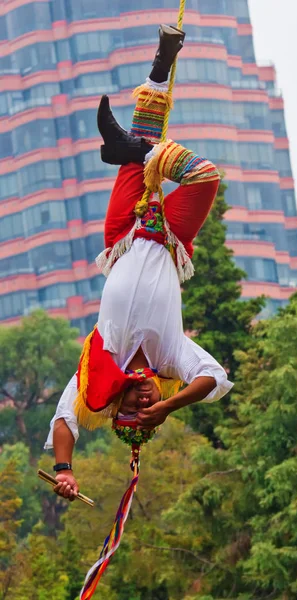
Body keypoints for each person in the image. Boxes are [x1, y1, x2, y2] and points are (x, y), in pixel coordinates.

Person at [45, 25, 233, 501]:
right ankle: (132, 150)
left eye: (135, 408)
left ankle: (159, 66)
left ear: (116, 404)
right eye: (149, 408)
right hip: (171, 242)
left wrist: (64, 469)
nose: (145, 400)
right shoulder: (173, 362)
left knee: (144, 138)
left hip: (124, 238)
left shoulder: (99, 368)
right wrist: (169, 410)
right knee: (205, 177)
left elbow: (65, 420)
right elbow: (215, 379)